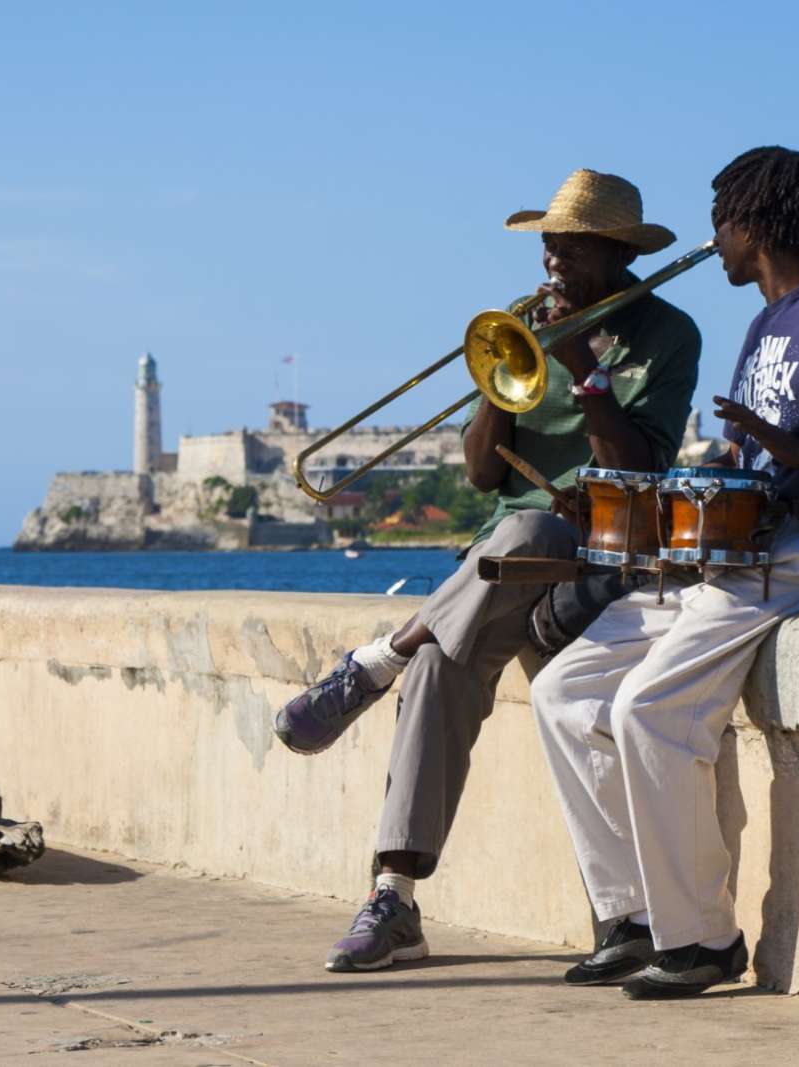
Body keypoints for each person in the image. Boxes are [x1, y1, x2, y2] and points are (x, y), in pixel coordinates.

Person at [530, 141, 799, 999]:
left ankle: (700, 939)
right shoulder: (763, 323)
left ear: (755, 223)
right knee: (563, 691)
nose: (712, 241)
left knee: (648, 710)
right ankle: (628, 918)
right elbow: (748, 455)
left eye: (720, 221)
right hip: (730, 556)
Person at [272, 168, 702, 972]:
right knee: (440, 663)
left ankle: (375, 660)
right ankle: (394, 898)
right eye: (546, 247)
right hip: (501, 554)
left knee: (533, 522)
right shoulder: (524, 323)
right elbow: (479, 476)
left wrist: (583, 366)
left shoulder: (669, 334)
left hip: (600, 544)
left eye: (568, 248)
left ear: (614, 252)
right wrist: (502, 377)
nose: (551, 264)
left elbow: (637, 470)